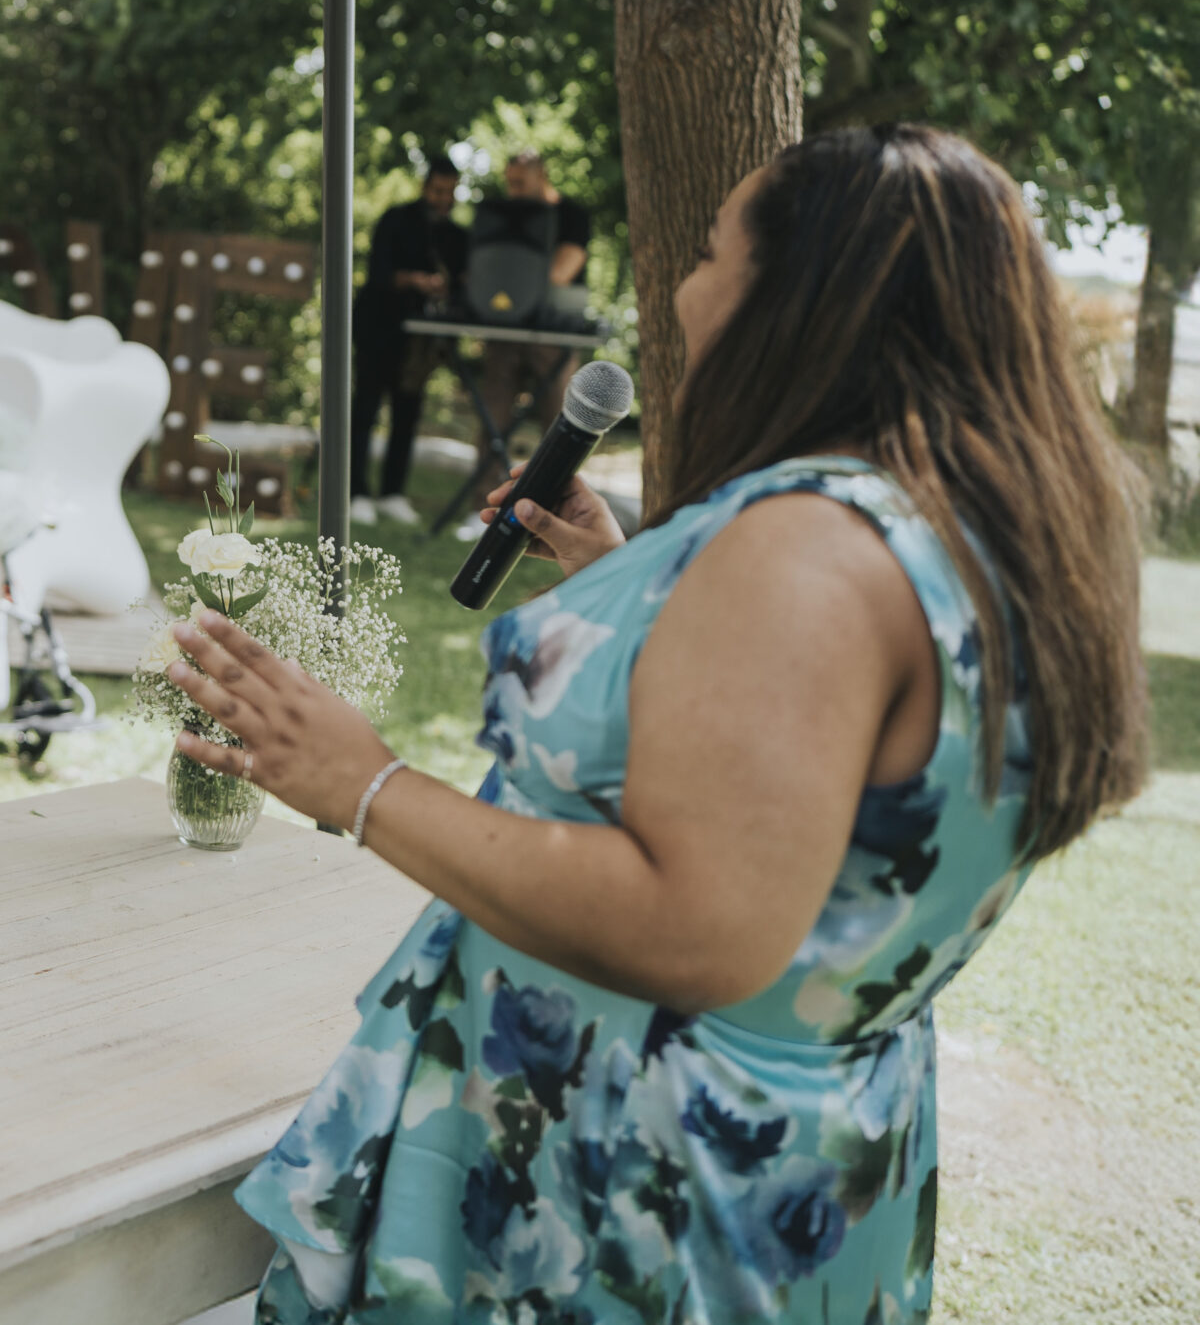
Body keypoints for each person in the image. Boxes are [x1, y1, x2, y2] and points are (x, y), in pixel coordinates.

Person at [162, 125, 1146, 1323]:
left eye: (708, 250)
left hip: (639, 1185)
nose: (681, 287)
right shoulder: (976, 527)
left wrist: (364, 782)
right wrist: (636, 579)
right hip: (810, 1155)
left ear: (799, 294)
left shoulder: (806, 550)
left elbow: (699, 926)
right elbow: (823, 807)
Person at [456, 150, 597, 541]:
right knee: (493, 415)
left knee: (561, 419)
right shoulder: (507, 214)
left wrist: (523, 292)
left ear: (541, 176)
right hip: (505, 330)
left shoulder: (571, 214)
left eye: (520, 182)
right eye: (509, 183)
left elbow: (565, 267)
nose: (513, 191)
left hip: (551, 332)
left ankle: (558, 513)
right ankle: (481, 511)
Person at [349, 154, 468, 527]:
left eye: (449, 192)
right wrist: (416, 280)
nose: (442, 198)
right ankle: (355, 492)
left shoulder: (457, 237)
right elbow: (378, 274)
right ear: (425, 186)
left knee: (408, 413)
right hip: (379, 329)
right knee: (365, 411)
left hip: (421, 344)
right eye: (437, 190)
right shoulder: (396, 219)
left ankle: (392, 493)